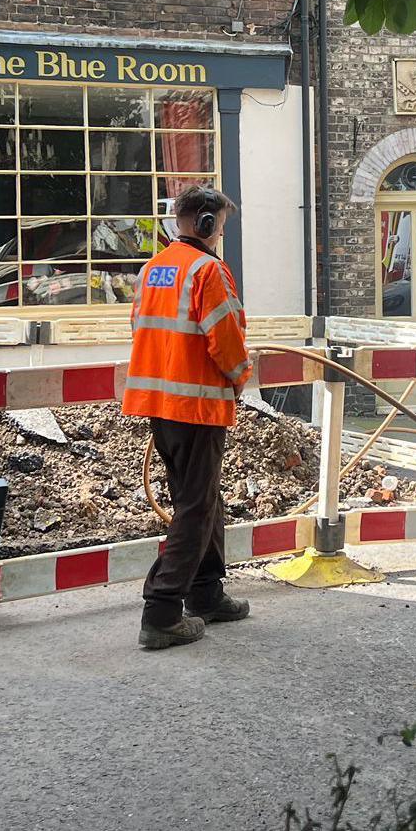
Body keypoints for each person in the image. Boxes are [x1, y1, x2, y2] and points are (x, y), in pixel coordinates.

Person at [122, 186, 254, 650]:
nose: (221, 233)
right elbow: (226, 341)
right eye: (220, 225)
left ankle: (206, 593)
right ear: (205, 224)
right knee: (195, 508)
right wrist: (240, 379)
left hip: (159, 404)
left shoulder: (151, 269)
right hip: (196, 405)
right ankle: (160, 611)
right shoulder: (208, 270)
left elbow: (142, 329)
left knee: (201, 498)